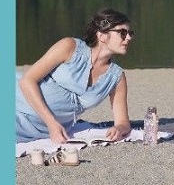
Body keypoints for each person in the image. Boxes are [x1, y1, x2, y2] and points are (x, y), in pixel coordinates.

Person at [16, 8, 134, 145]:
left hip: (43, 130)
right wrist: (51, 123)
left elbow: (123, 122)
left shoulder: (116, 77)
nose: (129, 38)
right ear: (102, 35)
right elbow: (27, 81)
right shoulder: (69, 47)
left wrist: (119, 128)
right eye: (122, 33)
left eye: (130, 33)